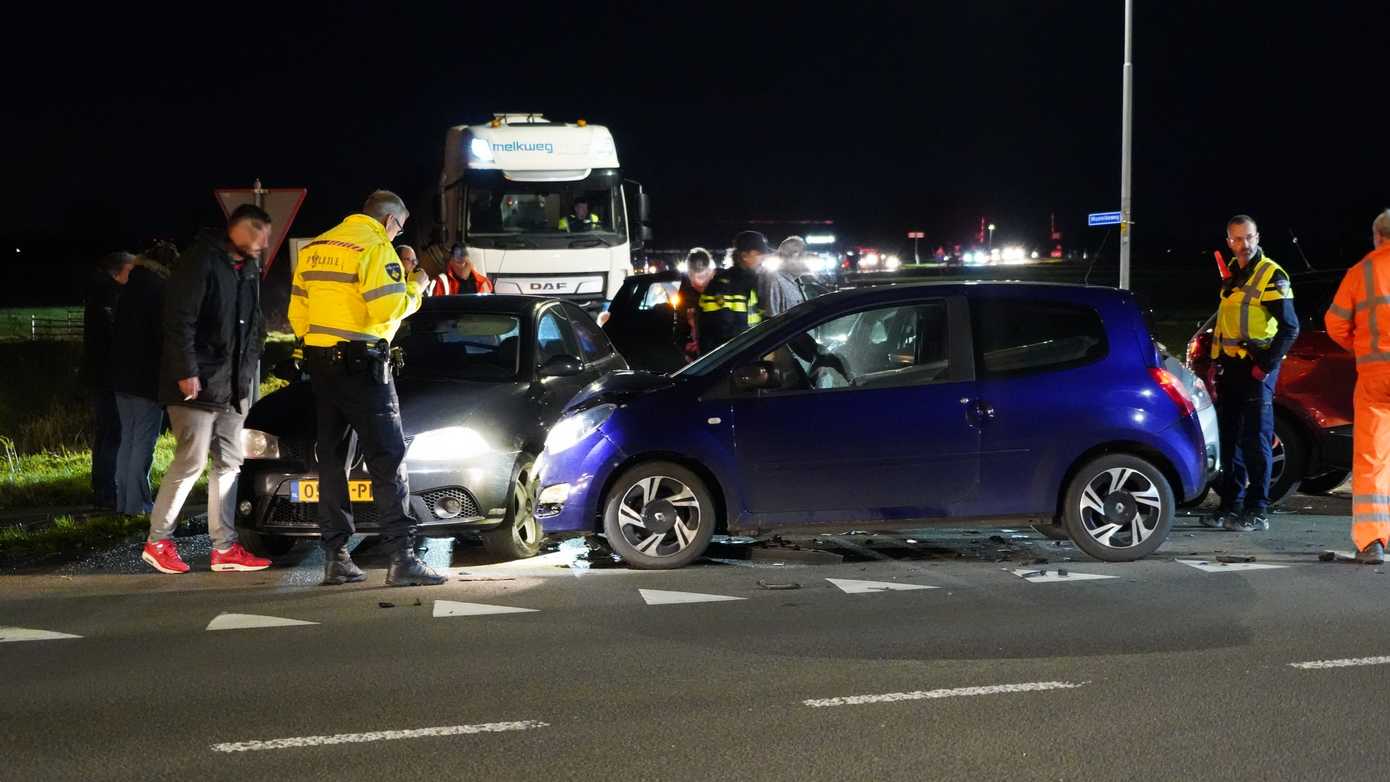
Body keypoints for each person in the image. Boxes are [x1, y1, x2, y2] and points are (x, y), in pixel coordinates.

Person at [289, 190, 445, 587]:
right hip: (364, 368)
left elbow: (298, 316)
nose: (397, 236)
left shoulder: (316, 247)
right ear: (390, 221)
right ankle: (402, 559)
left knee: (332, 463)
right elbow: (386, 308)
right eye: (399, 229)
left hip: (322, 368)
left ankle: (336, 557)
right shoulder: (375, 247)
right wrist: (417, 288)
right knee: (388, 459)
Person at [141, 205, 273, 575]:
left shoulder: (247, 269)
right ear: (237, 229)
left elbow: (254, 323)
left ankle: (225, 549)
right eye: (258, 231)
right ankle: (158, 541)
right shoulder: (200, 261)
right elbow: (179, 320)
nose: (264, 240)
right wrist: (186, 371)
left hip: (233, 385)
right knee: (192, 460)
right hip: (197, 384)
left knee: (230, 463)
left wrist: (249, 368)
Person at [1205, 215, 1299, 533]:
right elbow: (1224, 324)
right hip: (1230, 368)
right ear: (1228, 241)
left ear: (1257, 237)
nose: (1243, 245)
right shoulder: (1231, 275)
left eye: (1248, 238)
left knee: (1257, 440)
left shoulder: (1272, 274)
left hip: (1256, 368)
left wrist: (1265, 365)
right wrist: (1214, 363)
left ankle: (1258, 509)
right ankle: (1231, 505)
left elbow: (1290, 328)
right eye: (1236, 239)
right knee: (1230, 440)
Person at [1324, 209, 1390, 563]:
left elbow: (1334, 323)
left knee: (1372, 459)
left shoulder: (1361, 272)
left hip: (1377, 378)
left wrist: (1361, 346)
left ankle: (1371, 542)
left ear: (1377, 237)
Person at [111, 242, 175, 516]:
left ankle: (124, 502)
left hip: (121, 376)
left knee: (127, 439)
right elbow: (162, 336)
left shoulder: (129, 287)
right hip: (146, 378)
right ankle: (139, 505)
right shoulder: (159, 290)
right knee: (143, 442)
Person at [81, 251, 135, 509]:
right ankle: (107, 492)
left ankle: (100, 488)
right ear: (117, 272)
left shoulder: (99, 293)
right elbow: (114, 338)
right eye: (130, 270)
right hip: (109, 376)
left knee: (105, 433)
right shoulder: (111, 297)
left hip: (99, 375)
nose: (133, 276)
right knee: (113, 433)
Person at [698, 230, 769, 355]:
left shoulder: (755, 281)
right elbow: (719, 330)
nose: (763, 258)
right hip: (727, 359)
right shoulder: (722, 285)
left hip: (748, 353)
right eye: (759, 253)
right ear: (744, 256)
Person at [676, 247, 714, 360]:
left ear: (710, 272)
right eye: (695, 277)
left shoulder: (722, 288)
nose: (700, 282)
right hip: (697, 357)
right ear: (689, 274)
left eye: (704, 276)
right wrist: (685, 345)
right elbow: (680, 326)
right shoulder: (685, 294)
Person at [759, 235, 810, 318]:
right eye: (799, 254)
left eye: (803, 254)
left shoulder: (798, 280)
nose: (803, 259)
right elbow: (772, 319)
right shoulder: (775, 280)